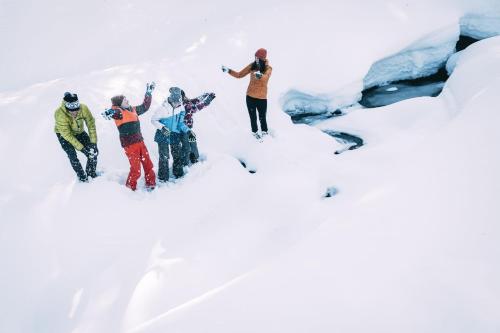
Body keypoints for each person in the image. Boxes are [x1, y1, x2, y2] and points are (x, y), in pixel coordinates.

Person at [102, 83, 156, 191]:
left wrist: (148, 93)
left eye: (126, 99)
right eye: (124, 100)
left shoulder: (133, 109)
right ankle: (130, 188)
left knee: (148, 164)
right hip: (130, 145)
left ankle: (151, 183)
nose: (127, 101)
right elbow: (114, 112)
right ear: (119, 104)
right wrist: (109, 112)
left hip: (140, 142)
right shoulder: (119, 112)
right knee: (136, 169)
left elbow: (145, 107)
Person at [222, 48, 272, 139]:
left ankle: (265, 135)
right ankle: (255, 135)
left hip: (262, 98)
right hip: (250, 97)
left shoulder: (268, 68)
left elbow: (266, 77)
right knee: (253, 118)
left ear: (263, 59)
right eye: (255, 57)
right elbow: (239, 75)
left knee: (262, 117)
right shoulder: (252, 66)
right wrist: (229, 70)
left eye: (258, 58)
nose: (256, 59)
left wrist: (260, 76)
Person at [151, 87, 194, 182]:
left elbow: (180, 123)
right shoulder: (162, 109)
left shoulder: (181, 108)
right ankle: (163, 178)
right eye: (177, 103)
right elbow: (153, 120)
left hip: (174, 133)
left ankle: (178, 174)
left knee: (177, 154)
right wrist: (162, 127)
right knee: (164, 156)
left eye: (180, 103)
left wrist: (188, 130)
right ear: (171, 100)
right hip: (163, 133)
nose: (179, 105)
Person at [54, 92, 98, 182]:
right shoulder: (59, 113)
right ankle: (82, 177)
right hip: (64, 135)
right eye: (72, 111)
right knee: (72, 155)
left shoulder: (83, 108)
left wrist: (93, 143)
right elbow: (67, 135)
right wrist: (81, 148)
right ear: (66, 108)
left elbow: (91, 124)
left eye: (77, 110)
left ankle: (91, 174)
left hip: (79, 131)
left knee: (93, 152)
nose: (75, 112)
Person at [180, 90, 216, 165]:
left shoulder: (186, 102)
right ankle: (187, 163)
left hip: (188, 129)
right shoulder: (183, 106)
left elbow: (194, 101)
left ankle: (194, 159)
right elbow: (196, 107)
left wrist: (204, 95)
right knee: (187, 146)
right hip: (183, 130)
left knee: (192, 143)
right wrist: (206, 101)